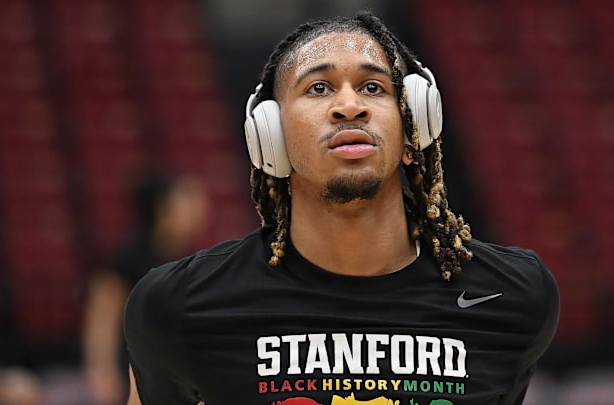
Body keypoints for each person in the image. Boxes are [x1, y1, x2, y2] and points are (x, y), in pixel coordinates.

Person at [124, 10, 560, 405]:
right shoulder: (180, 306)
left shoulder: (515, 297)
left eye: (373, 87)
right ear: (270, 138)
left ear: (415, 129)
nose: (350, 106)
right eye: (318, 88)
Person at [82, 172, 208, 405]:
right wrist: (101, 370)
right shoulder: (128, 258)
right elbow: (102, 316)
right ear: (162, 208)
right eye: (188, 201)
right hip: (129, 373)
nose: (198, 210)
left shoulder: (192, 260)